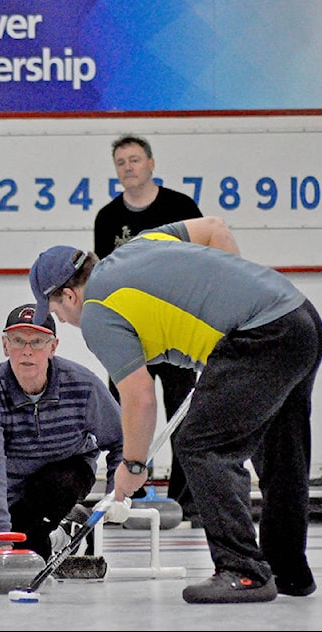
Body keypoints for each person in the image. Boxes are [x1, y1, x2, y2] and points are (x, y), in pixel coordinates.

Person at [28, 216, 322, 604]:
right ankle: (288, 572)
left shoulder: (98, 312)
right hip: (298, 318)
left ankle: (244, 571)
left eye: (55, 313)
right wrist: (235, 294)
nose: (63, 323)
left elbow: (139, 398)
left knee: (202, 447)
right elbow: (215, 228)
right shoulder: (138, 244)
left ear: (69, 296)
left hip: (259, 336)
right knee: (281, 453)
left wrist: (133, 467)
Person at [93, 134, 203, 516]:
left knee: (181, 418)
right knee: (125, 413)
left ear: (151, 164)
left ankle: (187, 502)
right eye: (121, 162)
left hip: (174, 328)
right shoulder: (108, 218)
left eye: (135, 160)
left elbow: (199, 263)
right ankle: (128, 497)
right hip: (129, 333)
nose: (128, 167)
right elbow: (104, 276)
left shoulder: (180, 206)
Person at [0, 303, 123, 561]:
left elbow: (121, 440)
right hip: (15, 491)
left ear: (53, 347)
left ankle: (59, 532)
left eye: (38, 342)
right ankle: (69, 531)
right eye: (18, 341)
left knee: (33, 546)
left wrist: (117, 495)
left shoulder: (83, 385)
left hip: (68, 473)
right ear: (5, 346)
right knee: (1, 552)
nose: (27, 351)